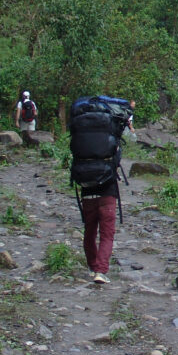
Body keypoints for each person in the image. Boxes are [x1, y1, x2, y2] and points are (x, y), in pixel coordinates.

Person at [71, 95, 132, 285]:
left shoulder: (80, 129)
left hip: (86, 185)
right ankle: (101, 270)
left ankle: (92, 266)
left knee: (89, 229)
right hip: (107, 186)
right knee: (107, 232)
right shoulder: (110, 133)